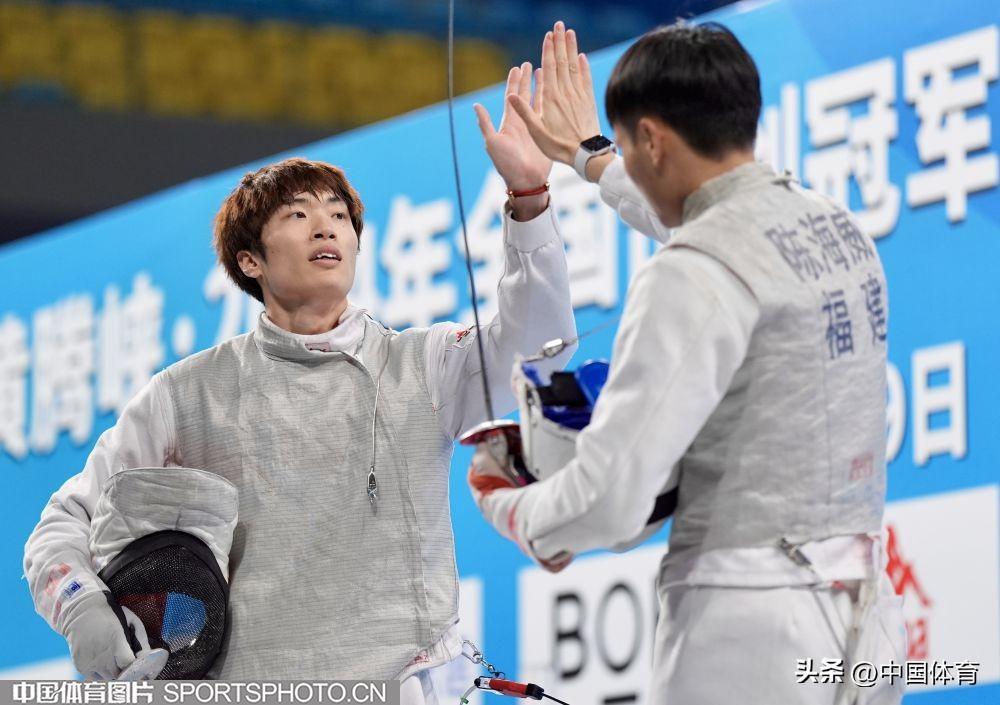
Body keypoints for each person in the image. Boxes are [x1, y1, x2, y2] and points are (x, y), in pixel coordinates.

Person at [23, 62, 576, 702]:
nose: (326, 227)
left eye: (339, 215)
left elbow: (536, 355)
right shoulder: (188, 394)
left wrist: (529, 199)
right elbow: (63, 521)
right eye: (298, 214)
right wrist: (80, 605)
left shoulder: (424, 363)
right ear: (250, 260)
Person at [469, 21, 905, 705]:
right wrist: (590, 155)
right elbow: (718, 225)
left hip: (752, 630)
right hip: (869, 622)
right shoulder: (834, 226)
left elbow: (611, 500)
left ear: (652, 139)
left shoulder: (690, 272)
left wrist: (514, 508)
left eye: (628, 147)